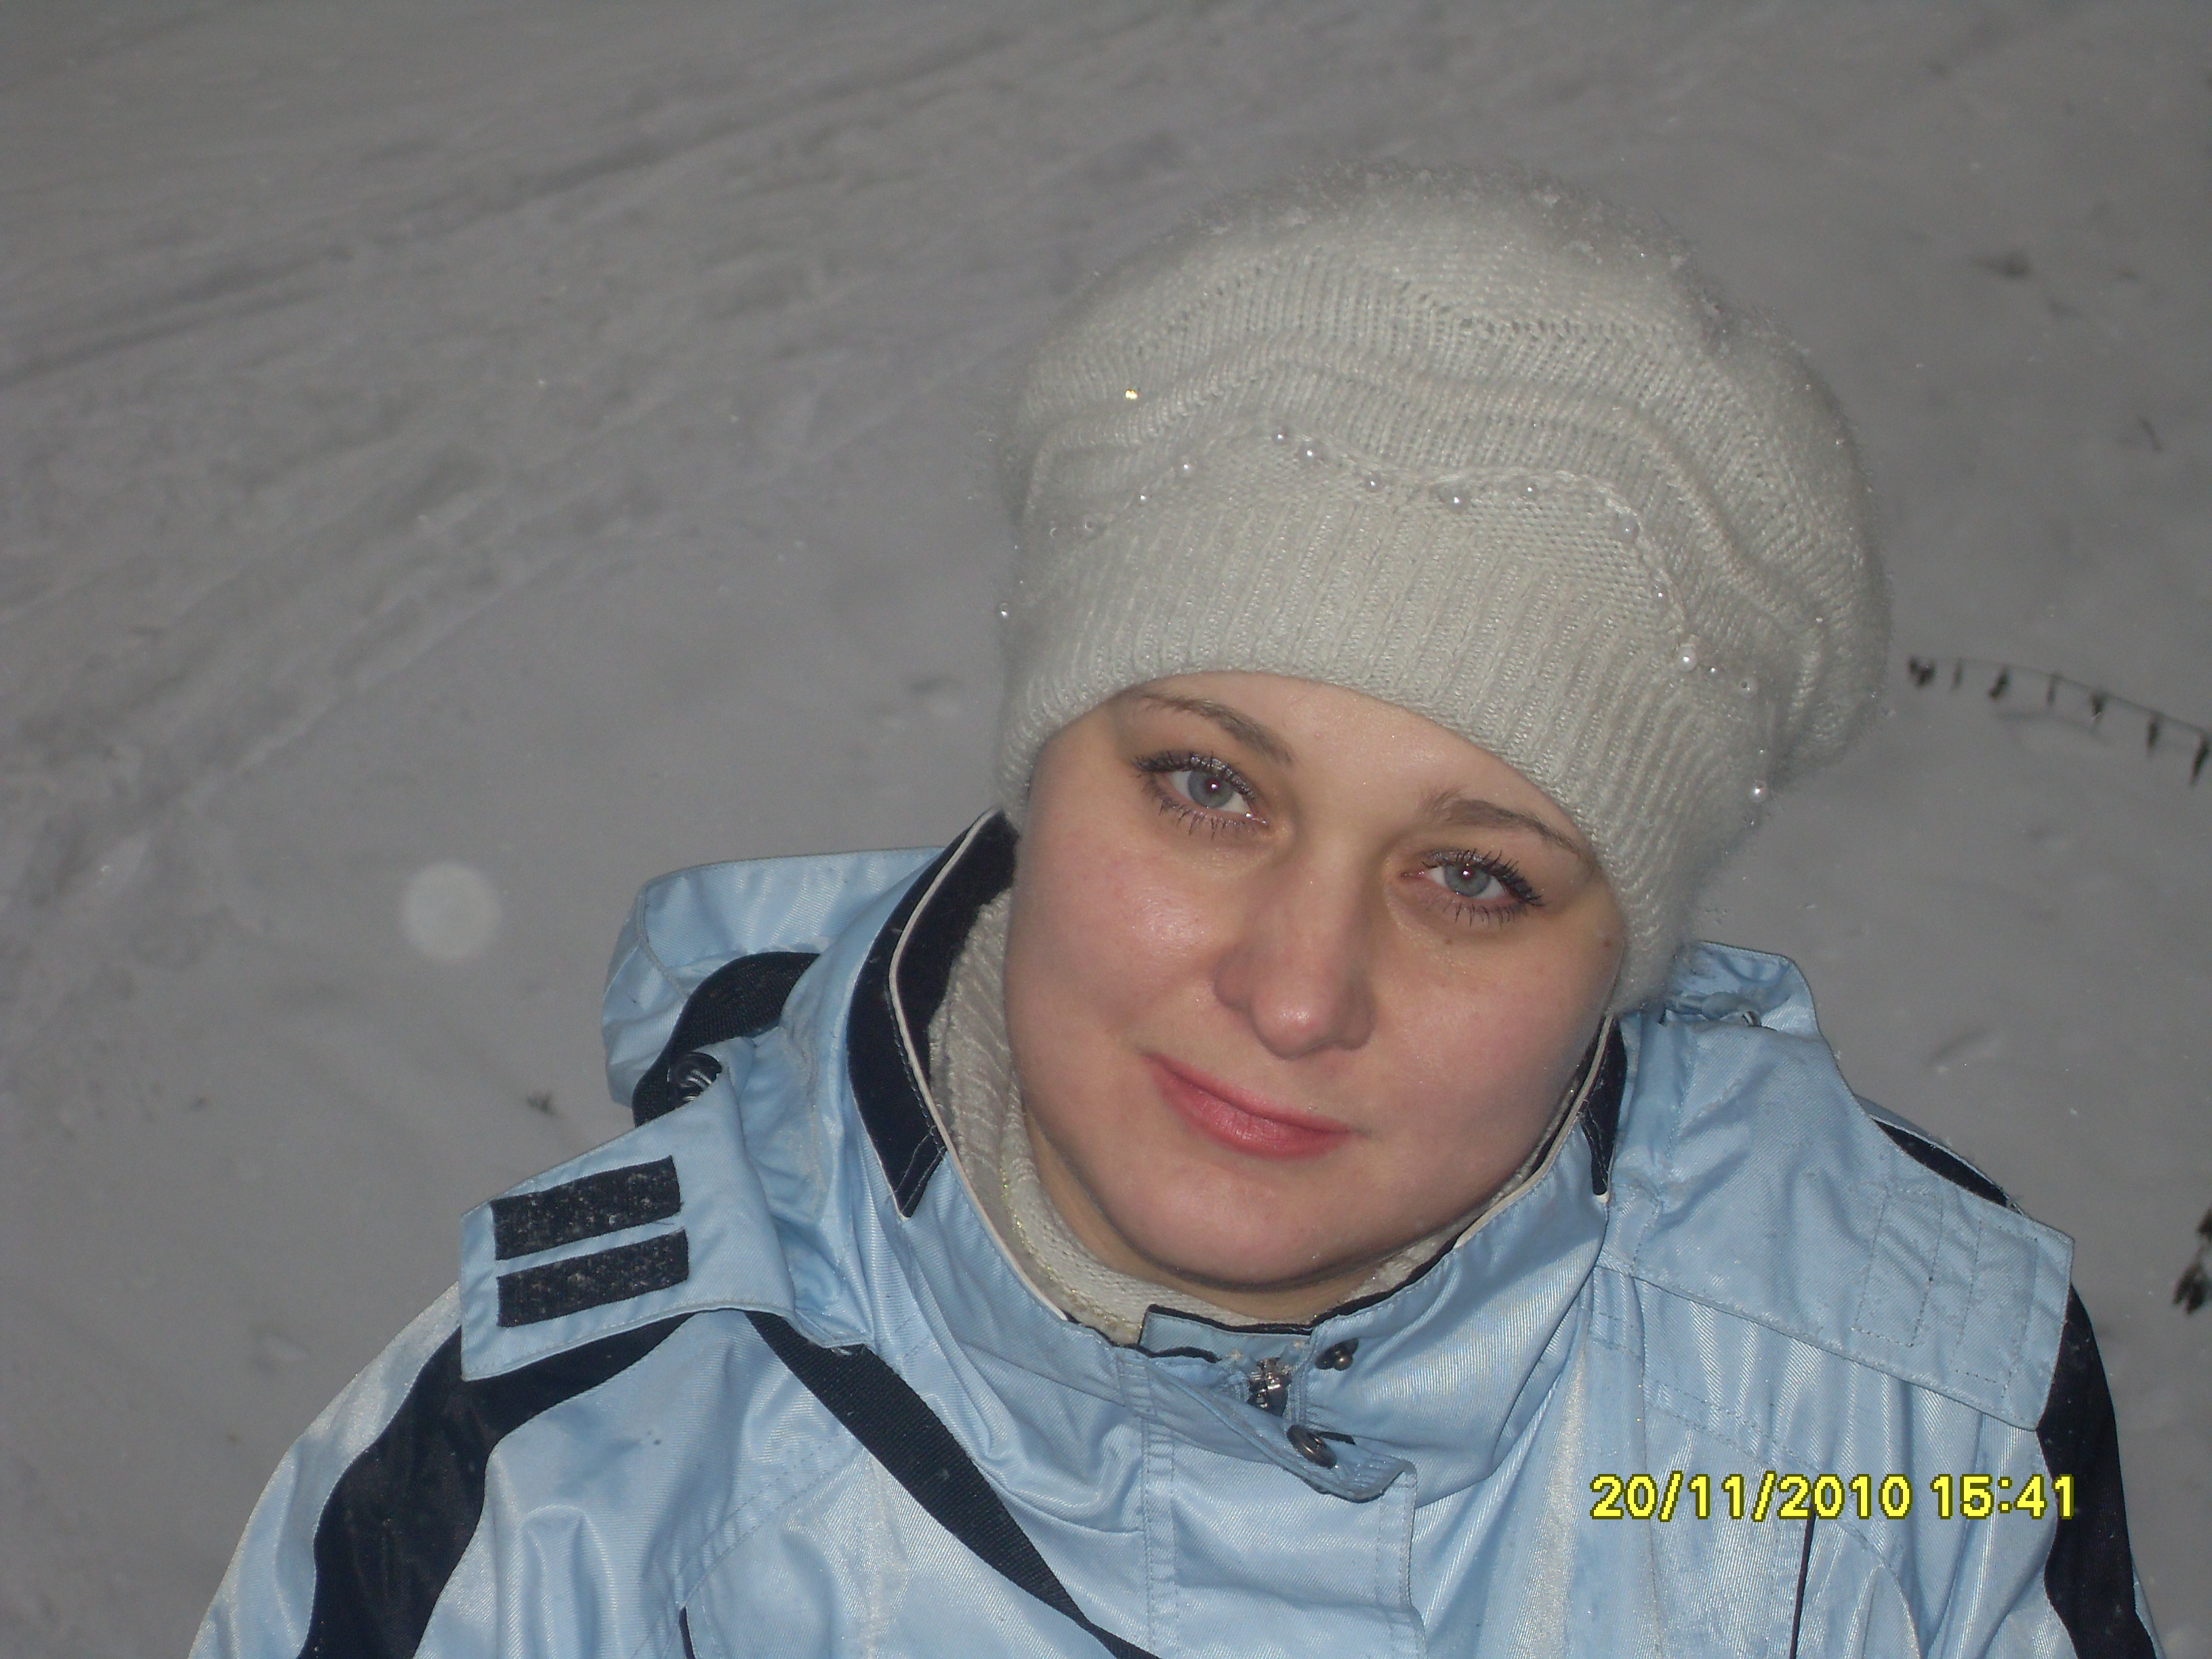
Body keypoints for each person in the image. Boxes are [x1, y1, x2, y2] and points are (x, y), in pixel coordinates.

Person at [192, 165, 2160, 1658]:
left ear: (1619, 959)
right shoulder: (563, 1473)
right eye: (1211, 787)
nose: (1297, 993)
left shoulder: (1889, 1432)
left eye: (1474, 876)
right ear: (1038, 778)